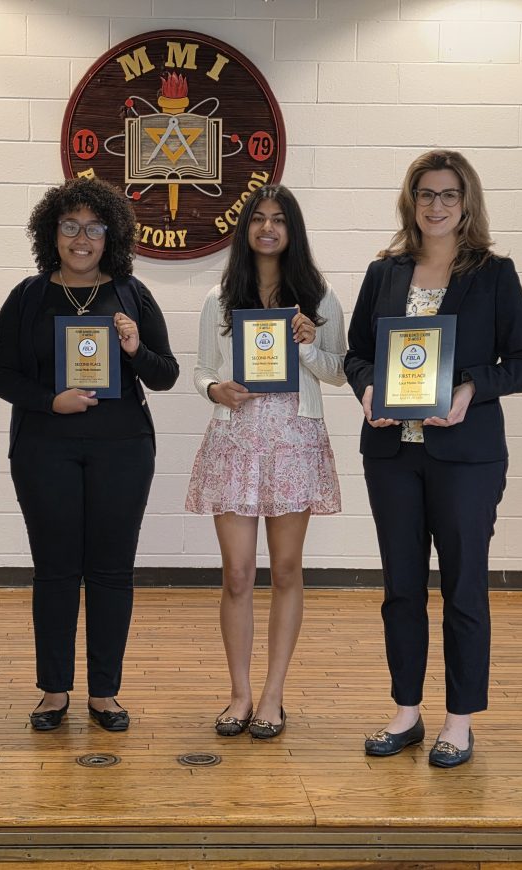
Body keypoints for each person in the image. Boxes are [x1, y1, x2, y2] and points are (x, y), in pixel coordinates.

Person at [345, 150, 522, 768]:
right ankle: (406, 711)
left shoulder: (494, 273)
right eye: (425, 194)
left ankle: (460, 721)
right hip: (392, 455)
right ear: (411, 201)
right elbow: (356, 353)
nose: (436, 205)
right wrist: (368, 388)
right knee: (400, 588)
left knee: (462, 589)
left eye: (448, 195)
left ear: (466, 203)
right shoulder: (385, 272)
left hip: (466, 457)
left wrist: (468, 389)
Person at [0, 177, 178, 733]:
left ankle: (104, 693)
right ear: (53, 232)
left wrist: (135, 348)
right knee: (55, 570)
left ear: (110, 236)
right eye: (70, 226)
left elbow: (164, 375)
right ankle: (53, 690)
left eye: (94, 228)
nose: (81, 238)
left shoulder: (132, 294)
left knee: (111, 572)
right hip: (44, 448)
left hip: (123, 449)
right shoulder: (27, 296)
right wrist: (52, 401)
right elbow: (0, 375)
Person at [187, 185, 346, 740]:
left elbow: (338, 371)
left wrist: (305, 344)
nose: (268, 228)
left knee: (285, 570)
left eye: (279, 219)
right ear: (246, 229)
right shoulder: (219, 298)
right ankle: (239, 693)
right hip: (236, 442)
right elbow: (202, 368)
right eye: (259, 218)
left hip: (293, 442)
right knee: (236, 574)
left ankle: (273, 696)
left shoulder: (321, 300)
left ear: (292, 229)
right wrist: (217, 390)